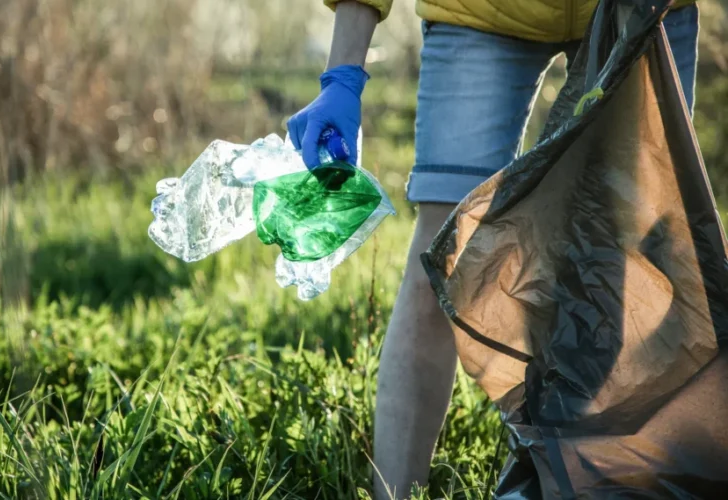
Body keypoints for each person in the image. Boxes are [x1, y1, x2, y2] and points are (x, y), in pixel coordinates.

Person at [286, 0, 700, 498]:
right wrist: (343, 72)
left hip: (640, 8)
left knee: (621, 268)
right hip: (482, 12)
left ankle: (589, 485)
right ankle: (394, 493)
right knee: (442, 257)